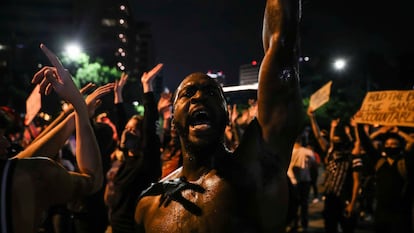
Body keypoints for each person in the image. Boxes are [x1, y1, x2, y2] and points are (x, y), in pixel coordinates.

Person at [134, 0, 303, 232]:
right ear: (173, 119)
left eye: (212, 92)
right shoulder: (149, 203)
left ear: (226, 116)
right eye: (188, 93)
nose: (199, 97)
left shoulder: (256, 170)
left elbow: (282, 49)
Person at [0, 44, 104, 233]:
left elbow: (23, 158)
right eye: (0, 136)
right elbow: (92, 180)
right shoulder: (30, 176)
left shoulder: (17, 171)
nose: (7, 143)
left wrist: (71, 115)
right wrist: (79, 109)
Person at [104, 64, 163, 233]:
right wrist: (118, 94)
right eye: (127, 129)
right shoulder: (125, 160)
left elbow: (150, 125)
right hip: (113, 226)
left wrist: (147, 86)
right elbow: (122, 121)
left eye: (134, 130)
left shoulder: (144, 163)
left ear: (141, 136)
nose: (128, 133)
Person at [358, 125, 413, 233]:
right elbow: (365, 142)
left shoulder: (406, 162)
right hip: (381, 213)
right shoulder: (380, 161)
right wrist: (362, 126)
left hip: (401, 213)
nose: (390, 146)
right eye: (387, 144)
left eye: (394, 144)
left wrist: (399, 132)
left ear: (400, 146)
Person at [286, 135, 316, 232]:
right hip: (305, 181)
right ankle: (304, 225)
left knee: (293, 204)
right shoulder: (308, 152)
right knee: (304, 204)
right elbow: (314, 165)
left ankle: (293, 223)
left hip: (292, 182)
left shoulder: (288, 152)